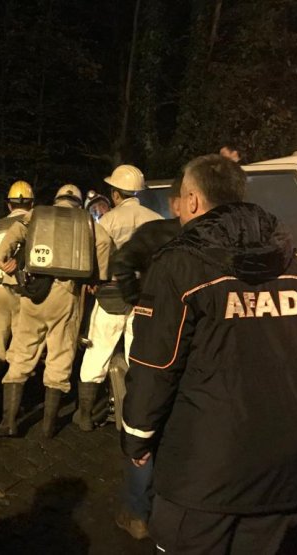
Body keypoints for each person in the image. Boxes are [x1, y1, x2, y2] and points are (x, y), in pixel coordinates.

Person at [121, 155, 297, 554]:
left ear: (192, 201)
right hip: (280, 468)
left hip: (202, 474)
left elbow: (154, 366)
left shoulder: (180, 264)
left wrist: (136, 436)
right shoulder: (294, 265)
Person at [0, 184, 112, 438]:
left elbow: (15, 231)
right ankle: (48, 426)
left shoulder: (38, 214)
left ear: (57, 198)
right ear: (78, 202)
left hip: (34, 292)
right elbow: (104, 243)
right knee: (59, 355)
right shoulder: (85, 221)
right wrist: (98, 278)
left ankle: (9, 422)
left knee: (22, 353)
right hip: (65, 294)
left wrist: (2, 258)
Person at [108, 176, 182, 540]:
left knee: (146, 412)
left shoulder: (158, 232)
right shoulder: (230, 240)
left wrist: (137, 299)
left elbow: (121, 262)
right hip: (205, 343)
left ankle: (138, 511)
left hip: (156, 335)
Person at [75, 165, 161, 432]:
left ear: (115, 194)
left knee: (96, 352)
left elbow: (96, 257)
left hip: (112, 294)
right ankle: (135, 414)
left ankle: (86, 416)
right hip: (144, 296)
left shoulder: (107, 222)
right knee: (137, 355)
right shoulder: (156, 220)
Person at [0, 181, 34, 377]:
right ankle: (13, 395)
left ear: (9, 205)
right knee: (19, 347)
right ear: (31, 204)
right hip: (25, 292)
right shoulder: (35, 226)